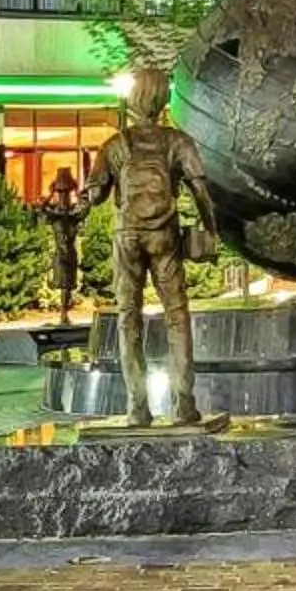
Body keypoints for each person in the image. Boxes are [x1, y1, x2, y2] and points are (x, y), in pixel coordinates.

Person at [78, 61, 220, 426]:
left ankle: (137, 408)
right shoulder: (177, 141)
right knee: (177, 315)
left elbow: (95, 197)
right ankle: (184, 404)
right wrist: (210, 229)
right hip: (164, 235)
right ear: (162, 100)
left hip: (127, 236)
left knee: (129, 318)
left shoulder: (116, 144)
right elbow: (201, 190)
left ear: (134, 98)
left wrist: (91, 183)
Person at [39, 168, 86, 326]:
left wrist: (77, 191)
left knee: (69, 286)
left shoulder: (73, 215)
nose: (64, 198)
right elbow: (42, 208)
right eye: (61, 195)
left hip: (70, 253)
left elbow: (86, 207)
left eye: (66, 194)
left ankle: (65, 313)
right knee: (64, 285)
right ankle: (63, 314)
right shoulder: (55, 216)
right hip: (61, 254)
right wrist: (51, 193)